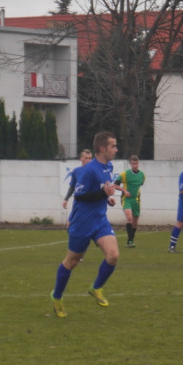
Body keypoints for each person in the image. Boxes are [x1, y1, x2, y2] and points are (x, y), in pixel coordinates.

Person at [50, 131, 120, 317]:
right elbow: (80, 195)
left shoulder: (109, 167)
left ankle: (96, 288)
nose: (116, 149)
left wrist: (107, 200)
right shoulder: (89, 170)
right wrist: (103, 195)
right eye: (113, 146)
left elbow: (101, 190)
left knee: (113, 255)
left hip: (100, 220)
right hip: (82, 223)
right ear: (102, 148)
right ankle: (57, 297)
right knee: (71, 262)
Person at [115, 155, 145, 248]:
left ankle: (131, 240)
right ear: (130, 164)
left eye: (136, 163)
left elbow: (140, 185)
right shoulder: (124, 174)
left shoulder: (142, 175)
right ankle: (129, 240)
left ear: (138, 164)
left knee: (135, 222)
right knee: (129, 218)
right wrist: (124, 190)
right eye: (133, 164)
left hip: (136, 200)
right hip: (126, 199)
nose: (135, 165)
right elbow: (115, 185)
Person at [62, 149, 93, 225]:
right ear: (81, 159)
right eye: (86, 158)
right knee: (69, 224)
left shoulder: (94, 172)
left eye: (90, 158)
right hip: (78, 202)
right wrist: (66, 199)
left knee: (88, 224)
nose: (88, 160)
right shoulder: (76, 171)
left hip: (90, 202)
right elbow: (72, 186)